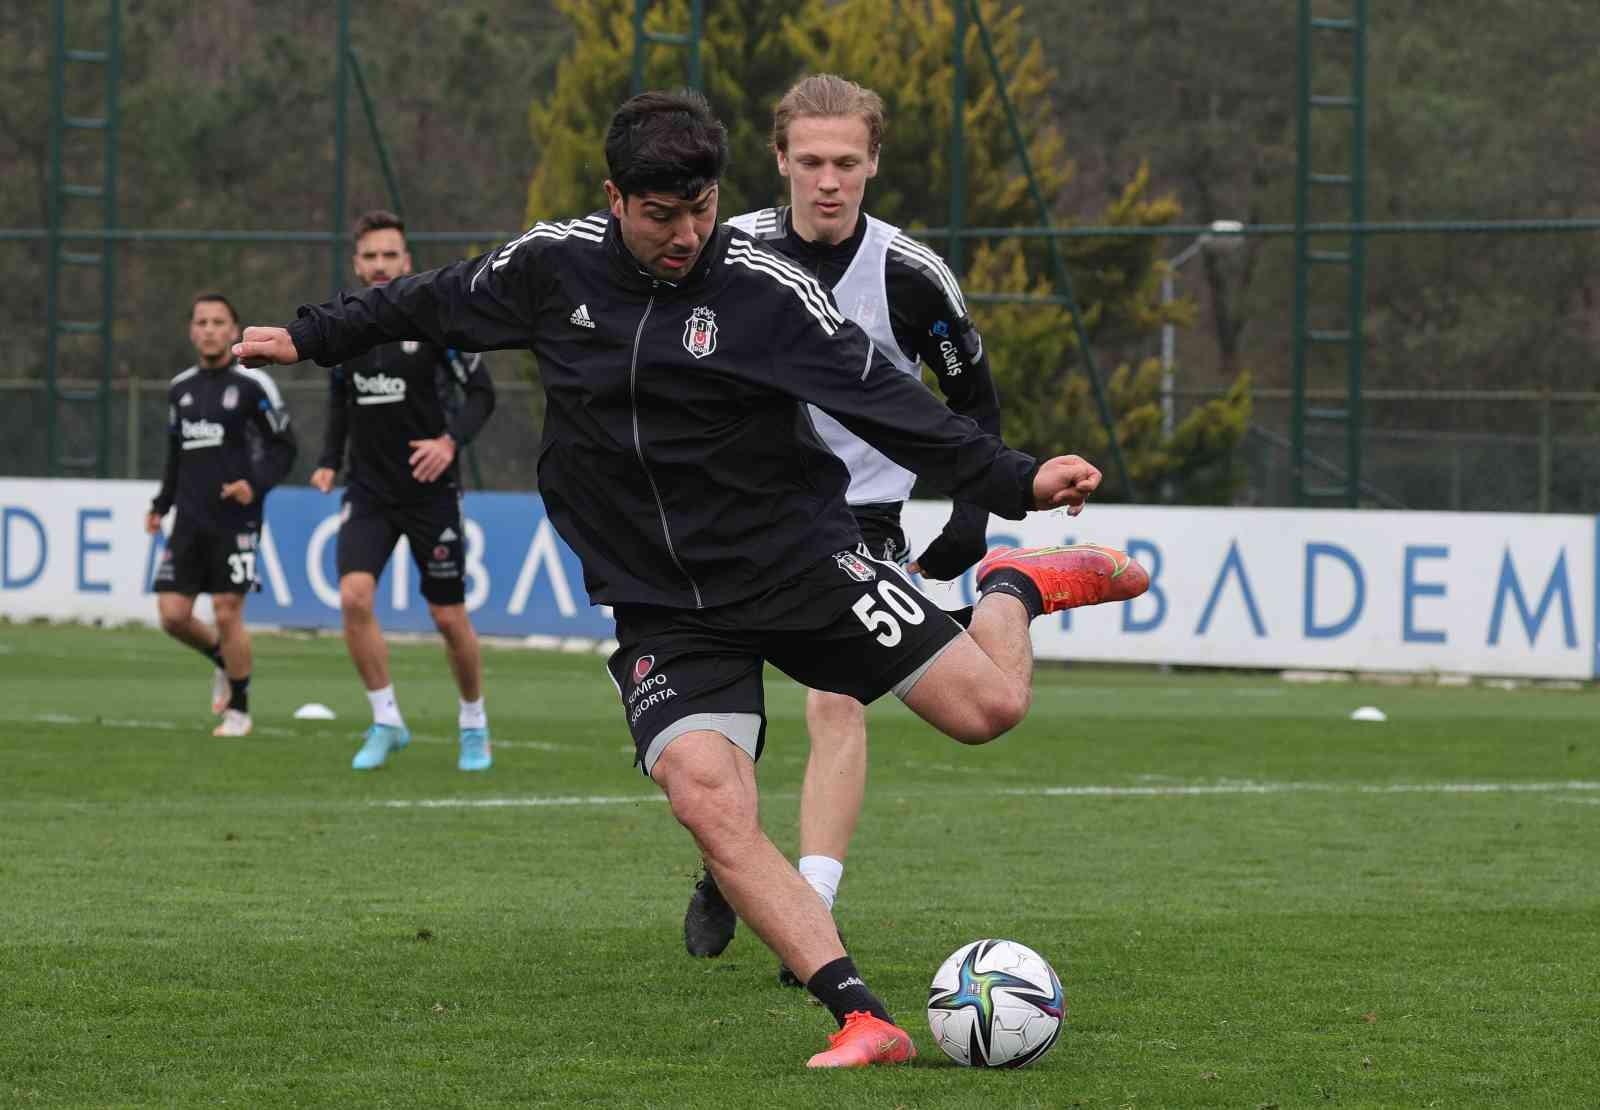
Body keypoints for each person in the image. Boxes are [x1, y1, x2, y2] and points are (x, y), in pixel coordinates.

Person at [235, 90, 1146, 1069]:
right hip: (662, 603)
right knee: (709, 800)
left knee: (988, 710)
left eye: (701, 210)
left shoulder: (765, 290)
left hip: (797, 562)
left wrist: (1012, 486)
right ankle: (860, 1016)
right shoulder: (553, 265)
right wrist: (313, 334)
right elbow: (431, 295)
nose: (685, 235)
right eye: (661, 215)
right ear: (614, 196)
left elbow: (888, 403)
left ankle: (1011, 587)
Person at [685, 73, 1052, 983]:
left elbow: (974, 401)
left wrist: (973, 514)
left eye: (847, 161)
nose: (828, 180)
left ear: (874, 163)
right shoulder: (726, 255)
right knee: (724, 710)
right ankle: (726, 863)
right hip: (739, 516)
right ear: (779, 162)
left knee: (838, 700)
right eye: (809, 161)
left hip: (860, 519)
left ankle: (811, 898)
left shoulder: (910, 274)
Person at [309, 210, 498, 772]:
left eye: (390, 255)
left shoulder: (437, 323)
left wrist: (448, 442)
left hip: (429, 491)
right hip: (367, 490)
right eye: (371, 256)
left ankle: (473, 722)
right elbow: (340, 403)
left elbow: (482, 396)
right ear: (357, 264)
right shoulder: (345, 329)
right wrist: (326, 461)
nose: (380, 265)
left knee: (447, 617)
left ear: (407, 262)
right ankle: (386, 719)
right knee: (353, 598)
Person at [147, 293, 296, 738]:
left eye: (218, 322)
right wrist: (161, 505)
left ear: (234, 330)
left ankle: (240, 711)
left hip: (236, 518)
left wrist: (254, 483)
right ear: (192, 330)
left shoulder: (254, 384)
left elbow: (284, 447)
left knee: (228, 611)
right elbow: (175, 454)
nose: (209, 329)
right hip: (189, 519)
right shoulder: (180, 389)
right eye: (202, 322)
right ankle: (221, 659)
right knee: (173, 615)